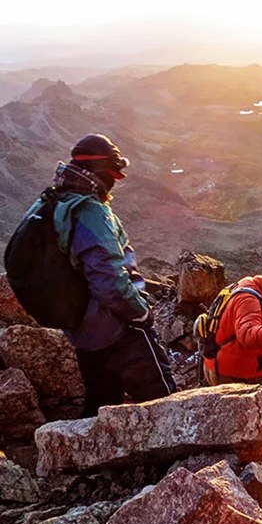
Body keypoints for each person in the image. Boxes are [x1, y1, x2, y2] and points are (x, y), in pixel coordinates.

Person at [49, 134, 177, 414]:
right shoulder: (90, 212)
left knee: (101, 403)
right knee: (164, 404)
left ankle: (92, 442)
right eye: (112, 175)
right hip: (118, 326)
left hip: (83, 329)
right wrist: (140, 314)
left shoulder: (57, 201)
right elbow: (110, 283)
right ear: (98, 170)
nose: (114, 183)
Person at [203, 261, 262, 386]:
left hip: (221, 364)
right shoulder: (249, 299)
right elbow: (247, 333)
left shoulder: (245, 285)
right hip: (234, 373)